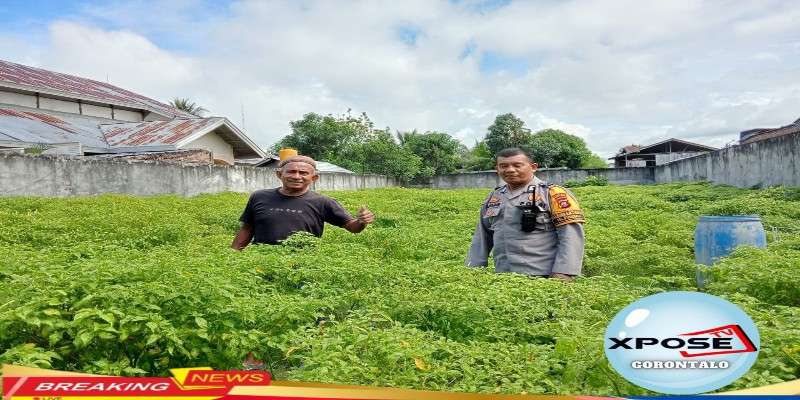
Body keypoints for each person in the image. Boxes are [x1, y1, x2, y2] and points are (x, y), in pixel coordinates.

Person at [465, 148, 585, 280]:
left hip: (545, 276)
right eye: (503, 166)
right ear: (497, 169)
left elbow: (571, 236)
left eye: (517, 165)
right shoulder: (494, 197)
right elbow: (482, 237)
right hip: (503, 277)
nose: (510, 170)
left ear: (533, 167)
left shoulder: (554, 193)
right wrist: (473, 271)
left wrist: (564, 272)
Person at [231, 155, 375, 250]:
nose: (296, 176)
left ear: (314, 178)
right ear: (279, 174)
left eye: (303, 173)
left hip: (304, 264)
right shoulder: (259, 196)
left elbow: (352, 227)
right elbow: (247, 229)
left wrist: (361, 221)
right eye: (291, 171)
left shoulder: (323, 202)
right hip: (261, 261)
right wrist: (233, 255)